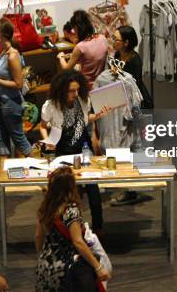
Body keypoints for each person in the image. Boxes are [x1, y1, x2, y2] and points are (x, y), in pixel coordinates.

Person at [39, 70, 111, 233]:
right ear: (62, 89)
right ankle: (70, 228)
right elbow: (43, 127)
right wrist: (47, 141)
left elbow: (86, 119)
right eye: (71, 90)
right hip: (62, 150)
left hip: (83, 147)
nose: (75, 93)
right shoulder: (51, 105)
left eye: (77, 89)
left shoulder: (83, 100)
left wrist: (98, 115)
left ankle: (98, 227)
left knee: (93, 188)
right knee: (68, 191)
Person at [35, 166, 111, 291]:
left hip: (45, 266)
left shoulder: (45, 207)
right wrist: (98, 267)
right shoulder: (70, 210)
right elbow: (78, 242)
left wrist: (43, 256)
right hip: (67, 269)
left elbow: (38, 236)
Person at [0, 18, 35, 192]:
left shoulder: (12, 55)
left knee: (19, 140)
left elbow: (18, 84)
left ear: (1, 34)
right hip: (1, 101)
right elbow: (2, 72)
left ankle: (44, 169)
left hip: (10, 104)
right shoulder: (3, 52)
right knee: (1, 140)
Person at [58, 10, 109, 88]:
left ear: (76, 28)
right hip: (103, 83)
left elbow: (66, 69)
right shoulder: (102, 38)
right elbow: (93, 56)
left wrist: (61, 57)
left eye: (74, 28)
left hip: (87, 87)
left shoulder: (80, 47)